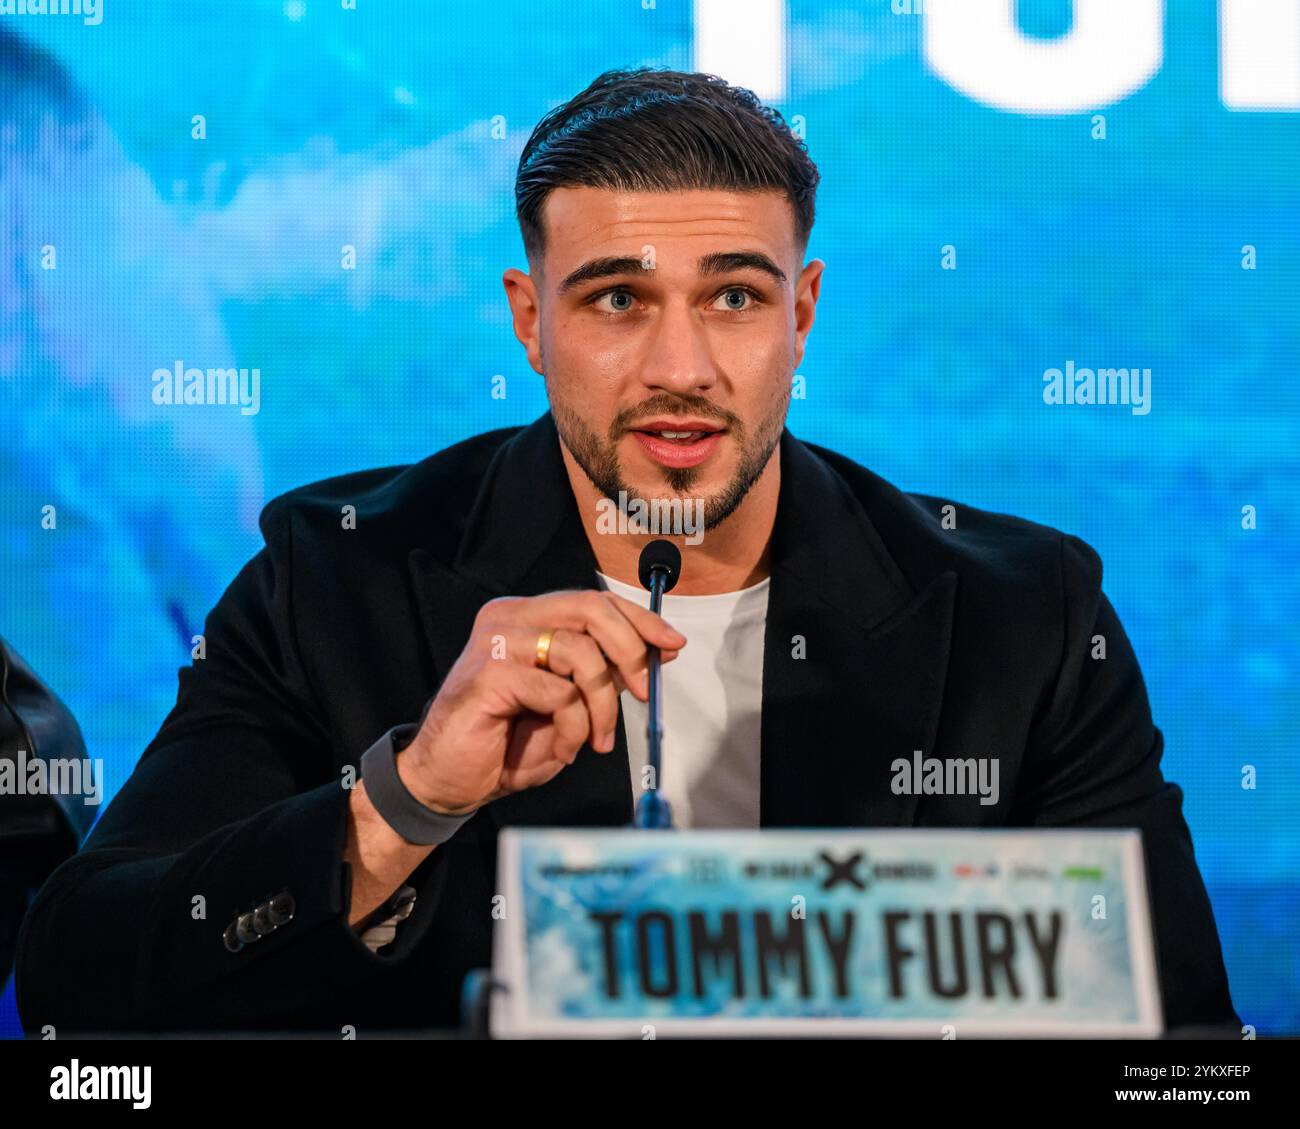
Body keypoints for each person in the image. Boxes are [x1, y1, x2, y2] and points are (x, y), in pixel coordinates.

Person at [15, 68, 1236, 1034]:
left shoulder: (1019, 615)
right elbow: (78, 979)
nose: (680, 370)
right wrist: (405, 798)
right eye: (614, 299)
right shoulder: (334, 578)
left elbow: (1179, 1057)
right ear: (528, 318)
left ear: (801, 313)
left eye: (733, 298)